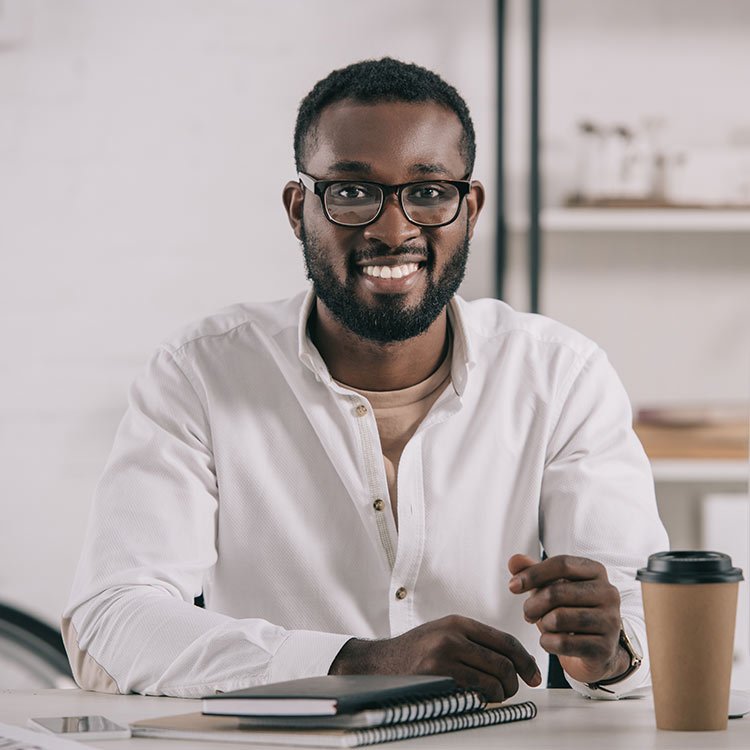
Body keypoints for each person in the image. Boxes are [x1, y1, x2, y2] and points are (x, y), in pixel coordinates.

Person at [62, 58, 668, 701]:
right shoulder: (200, 374)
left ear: (471, 208)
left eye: (429, 192)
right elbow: (112, 619)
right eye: (352, 192)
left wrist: (613, 650)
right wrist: (356, 663)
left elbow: (638, 612)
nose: (393, 228)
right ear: (300, 209)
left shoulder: (561, 376)